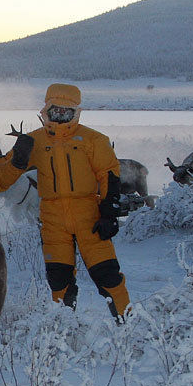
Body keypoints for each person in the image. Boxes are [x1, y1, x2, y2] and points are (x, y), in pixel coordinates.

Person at [20, 83, 130, 319]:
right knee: (59, 280)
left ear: (75, 112)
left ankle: (128, 324)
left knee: (108, 275)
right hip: (53, 220)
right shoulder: (33, 141)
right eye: (55, 111)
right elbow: (5, 171)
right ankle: (63, 329)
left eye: (65, 111)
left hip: (89, 216)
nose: (60, 116)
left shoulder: (93, 139)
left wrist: (109, 213)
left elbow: (109, 174)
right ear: (46, 110)